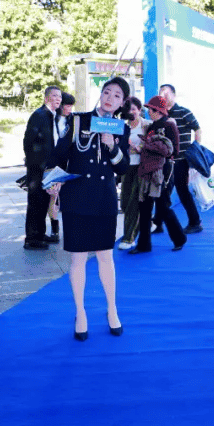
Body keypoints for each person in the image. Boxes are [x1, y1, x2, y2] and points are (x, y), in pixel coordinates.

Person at [47, 77, 131, 339]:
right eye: (107, 92)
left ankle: (112, 309)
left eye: (117, 95)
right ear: (100, 94)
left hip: (104, 199)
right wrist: (52, 182)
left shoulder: (120, 129)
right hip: (77, 199)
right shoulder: (77, 121)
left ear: (122, 103)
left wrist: (112, 146)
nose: (110, 98)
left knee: (106, 256)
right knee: (78, 259)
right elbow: (57, 156)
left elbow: (123, 167)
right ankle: (80, 312)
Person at [130, 96, 188, 253]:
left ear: (158, 110)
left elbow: (174, 150)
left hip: (161, 171)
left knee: (162, 206)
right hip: (146, 170)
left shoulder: (169, 125)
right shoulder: (152, 126)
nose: (148, 111)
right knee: (144, 208)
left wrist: (149, 146)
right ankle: (144, 245)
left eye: (151, 109)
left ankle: (179, 238)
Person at [158, 84, 203, 234]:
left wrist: (195, 150)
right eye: (161, 93)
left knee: (182, 190)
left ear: (174, 95)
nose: (164, 96)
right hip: (165, 160)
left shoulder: (184, 112)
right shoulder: (160, 114)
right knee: (162, 191)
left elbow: (197, 129)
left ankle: (195, 222)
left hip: (181, 159)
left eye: (166, 93)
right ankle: (158, 223)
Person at [22, 85, 62, 250]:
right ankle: (31, 239)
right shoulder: (39, 115)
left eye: (60, 96)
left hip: (48, 169)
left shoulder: (52, 116)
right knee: (35, 202)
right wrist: (35, 164)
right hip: (37, 168)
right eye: (54, 96)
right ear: (46, 98)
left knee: (44, 201)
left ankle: (40, 234)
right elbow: (28, 140)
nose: (58, 99)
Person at [46, 91, 76, 243]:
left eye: (71, 106)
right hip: (52, 163)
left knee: (68, 197)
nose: (69, 109)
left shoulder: (74, 120)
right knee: (53, 196)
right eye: (67, 106)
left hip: (69, 164)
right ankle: (55, 230)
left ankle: (72, 229)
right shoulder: (50, 118)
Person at [117, 97, 146, 250]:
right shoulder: (122, 126)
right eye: (128, 109)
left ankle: (129, 238)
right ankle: (141, 225)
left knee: (133, 203)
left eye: (134, 109)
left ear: (139, 110)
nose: (131, 112)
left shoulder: (146, 126)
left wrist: (136, 147)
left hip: (141, 168)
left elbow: (152, 146)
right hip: (126, 167)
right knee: (124, 202)